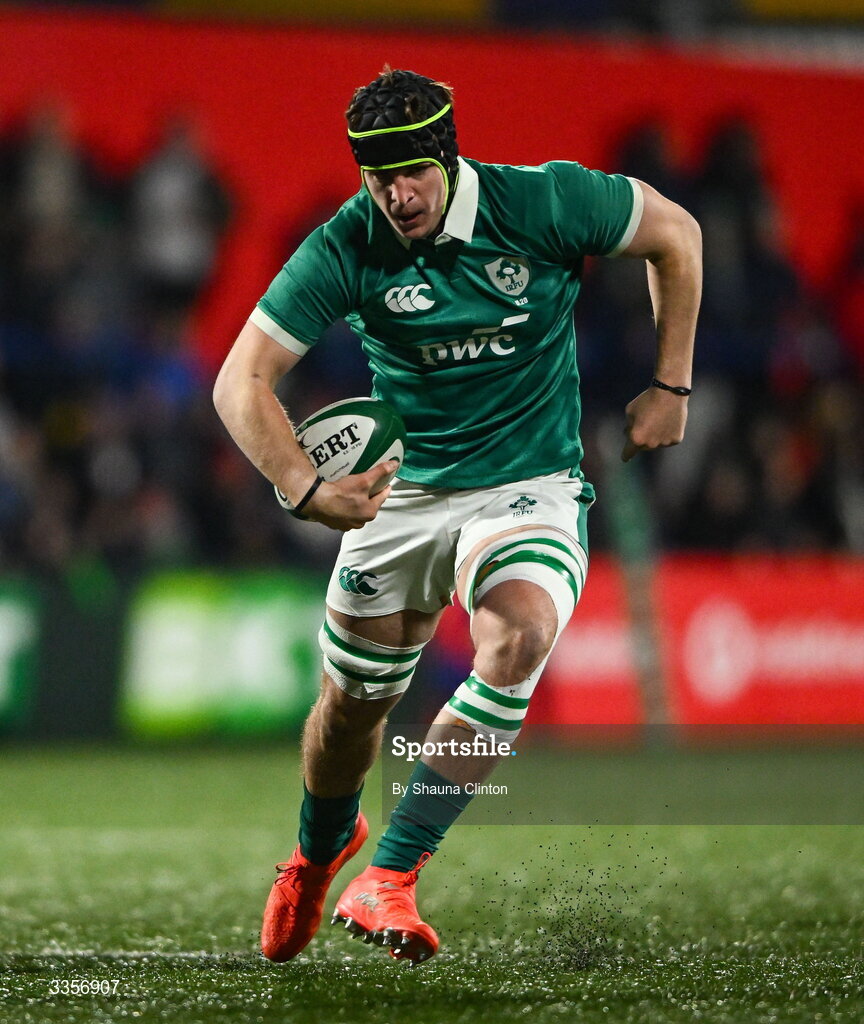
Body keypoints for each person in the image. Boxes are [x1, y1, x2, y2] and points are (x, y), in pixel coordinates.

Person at [213, 68, 701, 966]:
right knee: (351, 710)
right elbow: (239, 380)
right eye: (376, 176)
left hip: (528, 484)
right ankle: (319, 857)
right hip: (402, 494)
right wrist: (305, 488)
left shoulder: (544, 201)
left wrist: (671, 384)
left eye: (411, 173)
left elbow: (678, 232)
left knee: (517, 636)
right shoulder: (348, 243)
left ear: (447, 155)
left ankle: (392, 874)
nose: (395, 194)